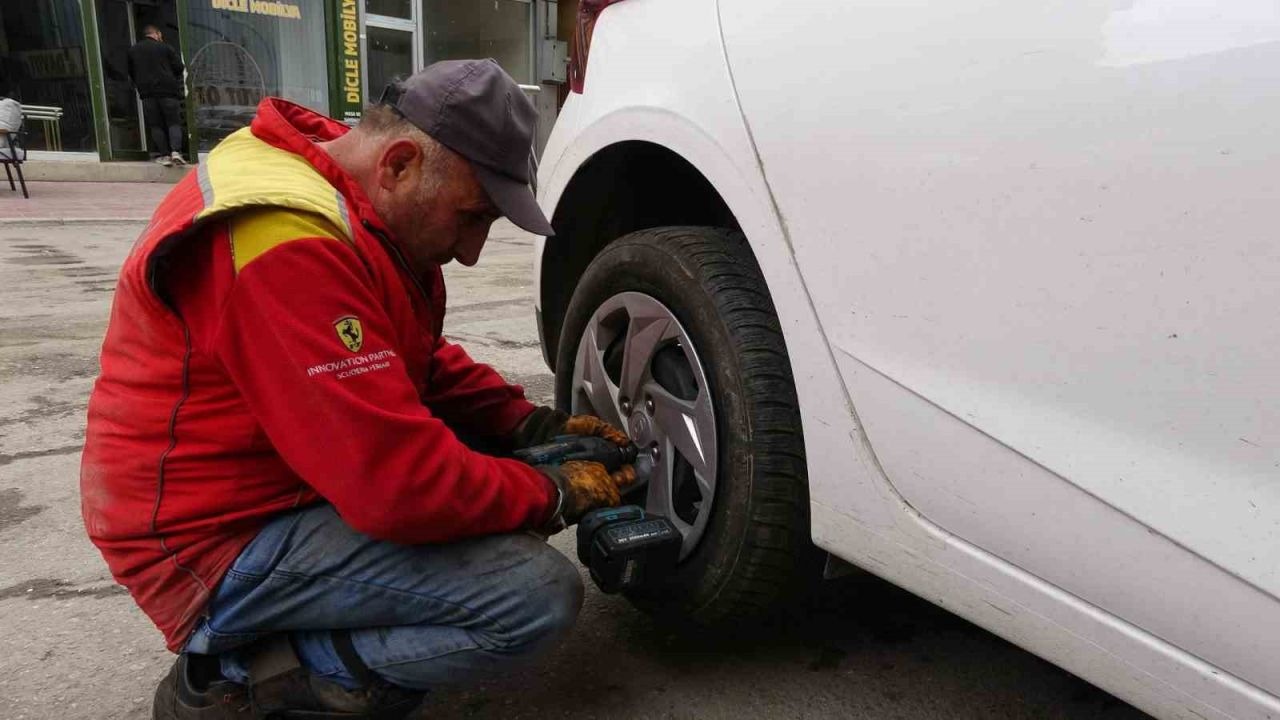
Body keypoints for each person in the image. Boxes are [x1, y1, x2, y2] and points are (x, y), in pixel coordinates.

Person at [81, 59, 636, 719]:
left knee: (493, 475)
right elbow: (398, 486)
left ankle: (299, 627)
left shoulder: (339, 189)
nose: (473, 252)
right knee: (529, 595)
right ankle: (244, 676)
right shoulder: (282, 243)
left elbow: (407, 359)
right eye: (472, 217)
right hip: (210, 538)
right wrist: (549, 491)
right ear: (399, 164)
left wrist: (526, 428)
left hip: (270, 477)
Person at [127, 24, 186, 166]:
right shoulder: (165, 47)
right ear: (157, 34)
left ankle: (165, 155)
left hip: (147, 93)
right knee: (173, 122)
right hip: (168, 92)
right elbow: (179, 67)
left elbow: (131, 72)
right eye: (160, 35)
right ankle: (176, 152)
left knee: (156, 125)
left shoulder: (133, 50)